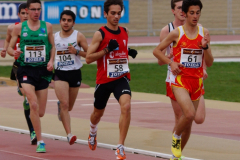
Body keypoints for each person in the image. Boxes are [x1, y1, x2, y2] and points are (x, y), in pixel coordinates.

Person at [153, 0, 213, 159]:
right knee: (188, 114)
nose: (195, 16)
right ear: (184, 14)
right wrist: (170, 62)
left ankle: (177, 153)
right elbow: (157, 52)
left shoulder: (204, 32)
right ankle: (176, 138)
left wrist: (206, 48)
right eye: (192, 13)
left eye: (198, 12)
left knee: (194, 118)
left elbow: (210, 62)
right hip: (178, 80)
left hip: (196, 82)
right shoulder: (174, 33)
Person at [85, 0, 137, 159]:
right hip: (104, 80)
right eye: (113, 13)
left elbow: (120, 48)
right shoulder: (100, 33)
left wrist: (128, 51)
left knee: (126, 106)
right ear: (105, 14)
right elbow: (88, 58)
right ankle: (93, 130)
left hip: (121, 78)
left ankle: (120, 146)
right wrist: (107, 49)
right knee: (97, 113)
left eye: (119, 13)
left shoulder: (125, 31)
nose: (116, 16)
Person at [7, 0, 55, 153]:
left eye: (38, 9)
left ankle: (29, 99)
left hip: (42, 70)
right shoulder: (19, 28)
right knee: (33, 104)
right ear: (27, 11)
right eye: (33, 9)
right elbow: (9, 46)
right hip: (25, 69)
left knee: (40, 112)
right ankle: (40, 141)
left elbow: (53, 46)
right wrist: (12, 53)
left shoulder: (47, 26)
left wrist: (51, 60)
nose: (36, 12)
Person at [0, 3, 37, 145]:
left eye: (28, 13)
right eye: (23, 13)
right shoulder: (13, 28)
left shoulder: (37, 28)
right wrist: (5, 50)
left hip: (35, 66)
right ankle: (32, 131)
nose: (26, 16)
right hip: (19, 65)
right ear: (19, 14)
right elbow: (8, 40)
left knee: (33, 102)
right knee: (28, 99)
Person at [53, 10, 88, 145]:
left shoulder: (78, 36)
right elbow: (50, 53)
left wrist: (77, 51)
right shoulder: (55, 37)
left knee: (69, 107)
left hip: (74, 73)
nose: (66, 23)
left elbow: (90, 54)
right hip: (60, 73)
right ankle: (69, 134)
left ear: (73, 22)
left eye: (69, 20)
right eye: (64, 20)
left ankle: (60, 107)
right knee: (65, 104)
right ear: (60, 21)